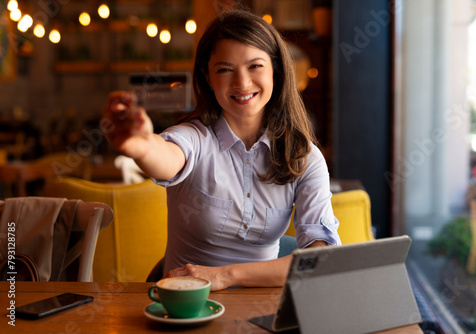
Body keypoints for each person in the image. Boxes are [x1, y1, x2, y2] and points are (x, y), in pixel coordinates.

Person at [102, 9, 341, 291]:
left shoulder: (304, 157)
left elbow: (320, 259)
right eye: (224, 69)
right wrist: (142, 147)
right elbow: (167, 156)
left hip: (261, 306)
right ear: (207, 77)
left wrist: (226, 276)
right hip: (189, 306)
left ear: (275, 69)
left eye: (255, 66)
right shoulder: (194, 137)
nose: (242, 83)